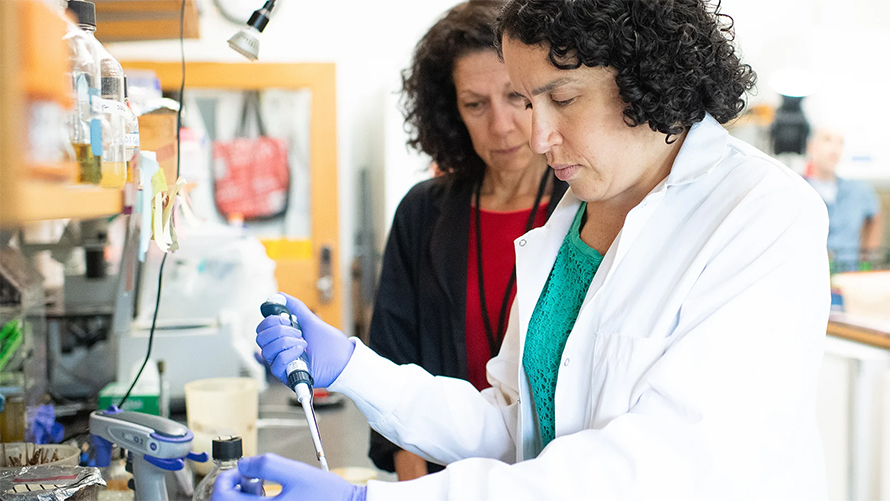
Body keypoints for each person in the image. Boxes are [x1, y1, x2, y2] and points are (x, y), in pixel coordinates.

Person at [216, 0, 831, 499]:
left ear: (647, 77)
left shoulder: (760, 213)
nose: (536, 135)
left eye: (559, 100)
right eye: (528, 100)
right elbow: (513, 426)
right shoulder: (576, 215)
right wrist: (356, 367)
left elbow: (656, 468)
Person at [367, 0, 567, 480]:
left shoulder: (587, 207)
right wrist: (416, 490)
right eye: (475, 105)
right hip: (440, 478)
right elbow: (392, 363)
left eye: (516, 97)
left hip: (553, 481)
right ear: (451, 111)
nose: (500, 126)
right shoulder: (423, 212)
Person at [805, 126, 883, 272]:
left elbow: (875, 218)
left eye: (840, 142)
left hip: (849, 277)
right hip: (810, 278)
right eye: (827, 140)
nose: (834, 149)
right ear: (811, 147)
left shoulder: (858, 190)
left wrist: (867, 261)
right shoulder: (798, 189)